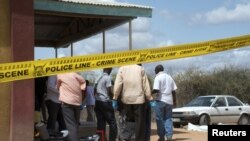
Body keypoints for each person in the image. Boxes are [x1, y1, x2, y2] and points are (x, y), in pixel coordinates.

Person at [113, 64, 154, 141]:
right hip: (139, 100)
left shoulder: (122, 68)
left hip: (126, 100)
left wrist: (115, 97)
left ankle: (127, 138)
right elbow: (145, 85)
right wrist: (149, 97)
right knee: (140, 124)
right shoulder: (141, 69)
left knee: (128, 121)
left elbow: (117, 84)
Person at [57, 72, 86, 141]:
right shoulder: (75, 75)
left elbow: (57, 87)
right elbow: (83, 83)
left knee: (70, 126)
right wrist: (80, 88)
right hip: (77, 102)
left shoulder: (60, 75)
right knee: (75, 124)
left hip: (67, 102)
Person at [152, 64, 177, 141]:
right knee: (168, 119)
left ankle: (161, 137)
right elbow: (173, 91)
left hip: (161, 101)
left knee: (160, 119)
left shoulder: (158, 77)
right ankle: (169, 136)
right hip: (169, 101)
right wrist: (174, 100)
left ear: (156, 70)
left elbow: (156, 90)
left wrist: (148, 93)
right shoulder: (169, 77)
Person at [94, 68, 117, 141]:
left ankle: (101, 139)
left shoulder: (98, 77)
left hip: (98, 102)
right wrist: (114, 98)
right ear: (109, 69)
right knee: (112, 122)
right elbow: (109, 91)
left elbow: (94, 90)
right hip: (105, 102)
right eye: (111, 70)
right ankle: (112, 139)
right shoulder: (107, 78)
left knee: (101, 122)